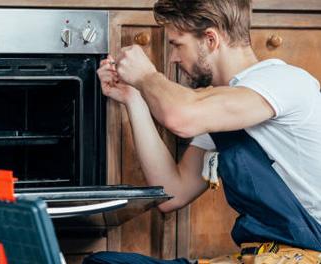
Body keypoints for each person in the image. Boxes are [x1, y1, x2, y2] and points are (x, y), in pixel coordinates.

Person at [84, 0, 321, 263]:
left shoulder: (283, 81)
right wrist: (134, 98)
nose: (173, 58)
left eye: (177, 44)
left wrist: (146, 76)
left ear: (210, 39)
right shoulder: (220, 109)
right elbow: (173, 192)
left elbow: (180, 116)